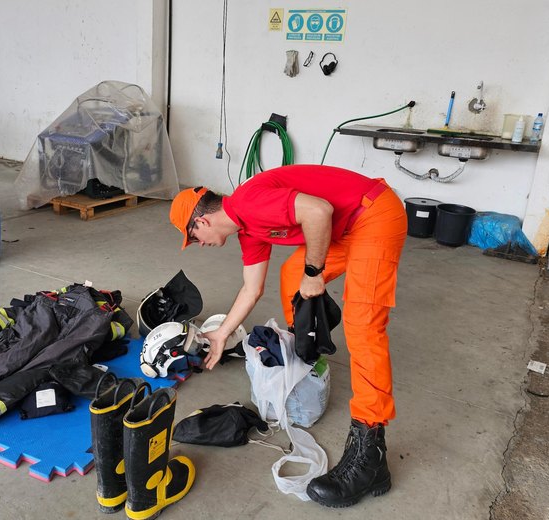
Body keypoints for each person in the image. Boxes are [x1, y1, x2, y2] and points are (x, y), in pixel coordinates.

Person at [169, 164, 407, 508]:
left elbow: (319, 211)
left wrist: (316, 272)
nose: (198, 244)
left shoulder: (249, 203)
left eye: (192, 238)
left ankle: (370, 455)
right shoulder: (248, 230)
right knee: (291, 273)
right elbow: (252, 289)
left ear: (201, 222)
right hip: (347, 227)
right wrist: (222, 334)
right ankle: (309, 348)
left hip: (374, 215)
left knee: (364, 325)